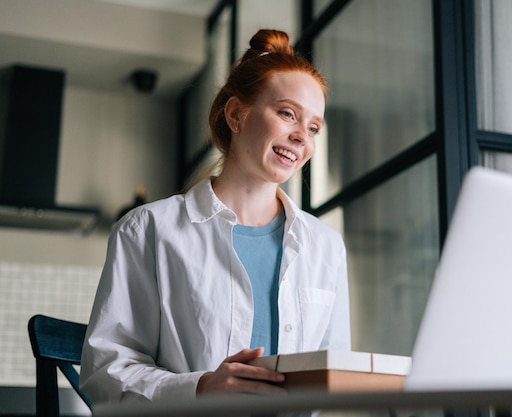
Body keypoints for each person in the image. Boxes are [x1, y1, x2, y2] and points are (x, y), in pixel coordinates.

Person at [79, 29, 351, 404]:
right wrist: (202, 388)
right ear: (237, 115)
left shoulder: (326, 247)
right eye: (288, 114)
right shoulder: (148, 230)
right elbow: (106, 371)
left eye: (313, 127)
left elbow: (332, 376)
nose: (302, 137)